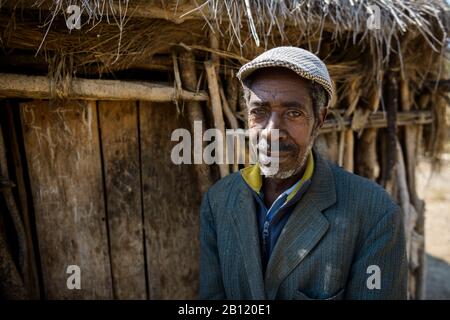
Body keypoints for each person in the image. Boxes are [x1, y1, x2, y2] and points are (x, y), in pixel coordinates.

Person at [199, 46, 407, 300]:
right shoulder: (218, 201)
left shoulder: (374, 213)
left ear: (319, 120)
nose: (271, 131)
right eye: (259, 112)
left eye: (293, 113)